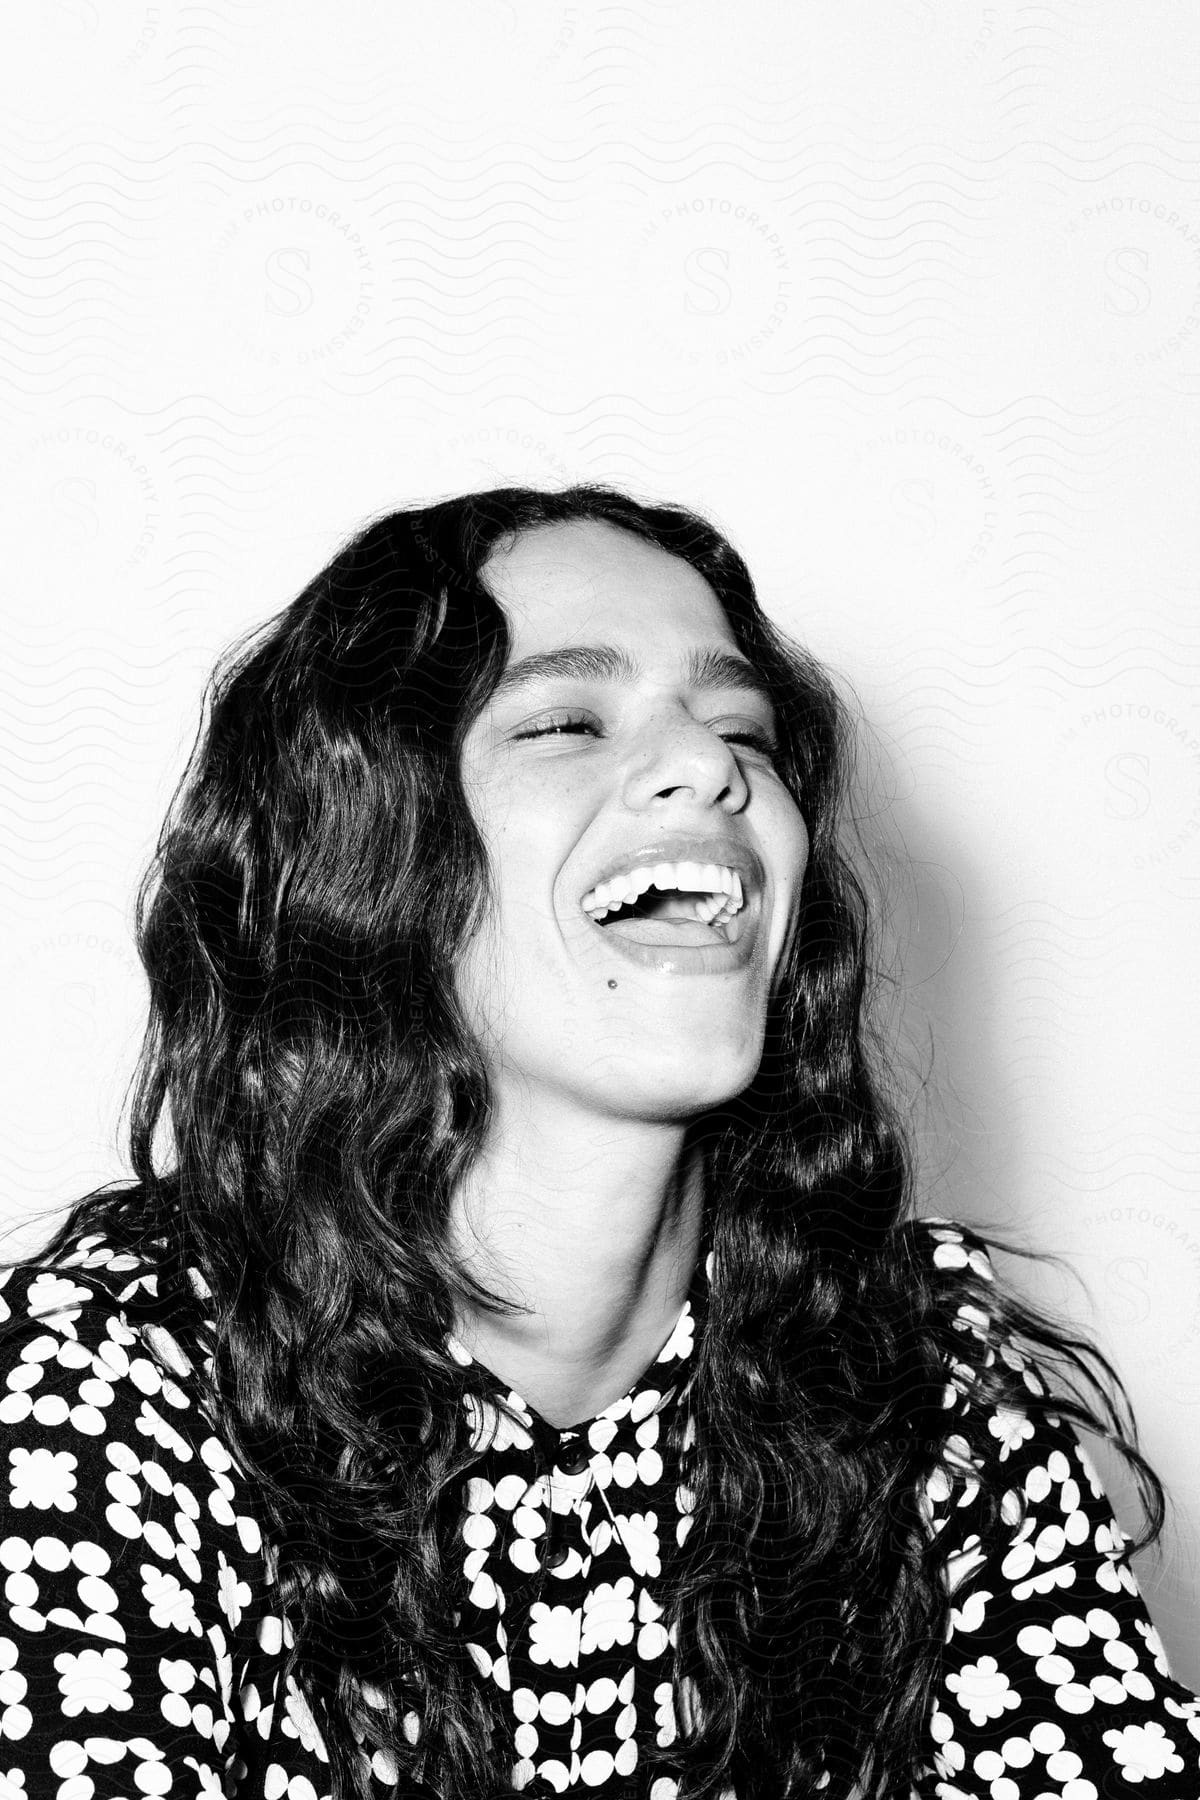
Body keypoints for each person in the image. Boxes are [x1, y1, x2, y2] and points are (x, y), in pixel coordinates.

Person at [0, 484, 1196, 1800]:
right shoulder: (123, 1383)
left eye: (742, 726)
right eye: (569, 720)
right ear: (365, 853)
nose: (714, 766)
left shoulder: (928, 1372)